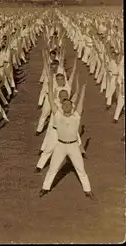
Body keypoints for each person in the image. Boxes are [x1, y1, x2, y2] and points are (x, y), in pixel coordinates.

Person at [39, 72, 95, 200]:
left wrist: (83, 89)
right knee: (53, 168)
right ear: (62, 106)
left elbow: (81, 102)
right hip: (60, 145)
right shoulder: (57, 115)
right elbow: (51, 98)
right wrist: (51, 83)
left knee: (81, 169)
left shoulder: (76, 116)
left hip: (74, 146)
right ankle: (45, 188)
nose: (66, 106)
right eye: (64, 105)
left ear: (71, 107)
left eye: (69, 105)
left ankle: (88, 191)